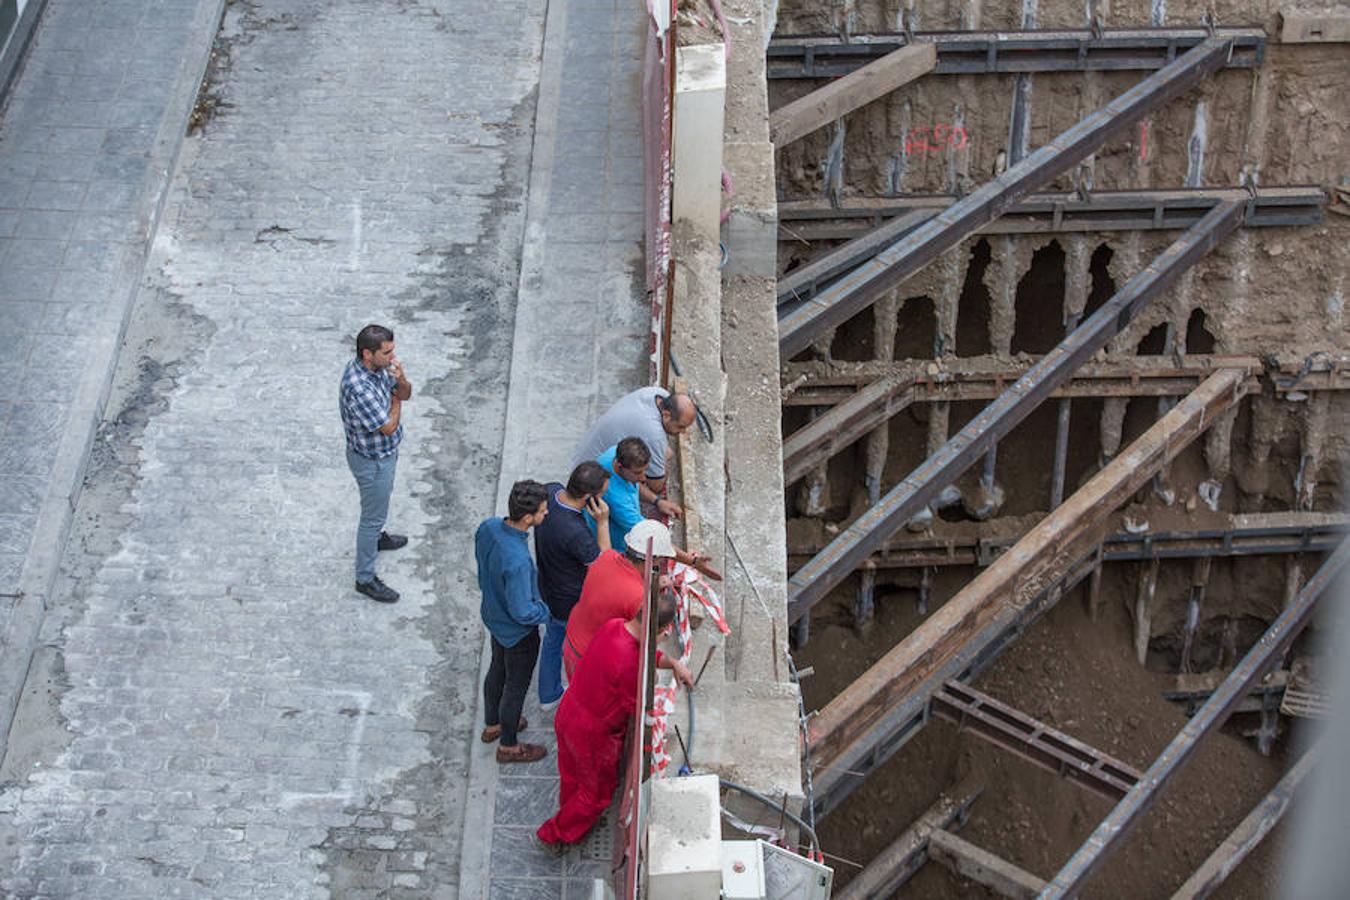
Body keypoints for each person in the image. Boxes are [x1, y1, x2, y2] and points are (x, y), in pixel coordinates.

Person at [535, 594, 694, 852]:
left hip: (569, 713)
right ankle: (555, 833)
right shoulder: (629, 663)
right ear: (663, 630)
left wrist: (672, 663)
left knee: (572, 774)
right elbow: (639, 706)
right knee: (595, 794)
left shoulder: (615, 626)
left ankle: (570, 816)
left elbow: (644, 652)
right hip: (591, 734)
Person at [475, 480, 552, 764]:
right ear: (528, 518)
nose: (546, 515)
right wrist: (546, 612)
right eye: (543, 511)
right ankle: (508, 745)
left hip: (494, 616)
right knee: (515, 688)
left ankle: (492, 722)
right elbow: (523, 612)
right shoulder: (518, 560)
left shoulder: (489, 528)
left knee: (497, 669)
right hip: (518, 632)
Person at [340, 324, 412, 604]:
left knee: (378, 507)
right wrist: (396, 401)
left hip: (384, 454)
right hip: (372, 461)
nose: (393, 357)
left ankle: (379, 537)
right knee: (370, 519)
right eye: (388, 352)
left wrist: (401, 381)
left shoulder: (378, 368)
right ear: (367, 354)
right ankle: (365, 578)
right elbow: (388, 427)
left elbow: (405, 393)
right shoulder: (358, 387)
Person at [533, 461, 612, 707]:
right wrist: (602, 523)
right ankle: (580, 693)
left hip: (546, 583)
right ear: (590, 498)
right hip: (570, 600)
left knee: (552, 640)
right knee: (578, 646)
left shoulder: (550, 490)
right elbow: (603, 563)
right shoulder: (576, 534)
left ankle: (548, 694)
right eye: (602, 496)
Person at [563, 519, 674, 681]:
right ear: (652, 559)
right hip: (589, 658)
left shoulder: (607, 556)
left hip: (572, 642)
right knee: (590, 700)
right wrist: (661, 636)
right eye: (660, 561)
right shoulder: (638, 597)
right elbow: (640, 643)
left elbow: (616, 590)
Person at [571, 387, 697, 518]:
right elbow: (657, 485)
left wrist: (657, 501)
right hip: (588, 483)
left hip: (583, 460)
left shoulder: (657, 393)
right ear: (666, 415)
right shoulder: (654, 434)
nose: (683, 432)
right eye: (681, 426)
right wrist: (663, 456)